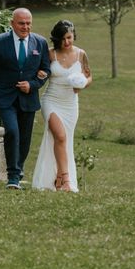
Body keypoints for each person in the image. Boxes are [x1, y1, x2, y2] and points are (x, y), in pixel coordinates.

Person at [0, 7, 51, 189]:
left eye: (28, 23)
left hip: (28, 99)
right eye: (21, 23)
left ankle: (18, 169)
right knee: (12, 132)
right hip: (5, 98)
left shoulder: (40, 43)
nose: (25, 27)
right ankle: (13, 177)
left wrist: (33, 85)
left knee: (25, 139)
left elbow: (46, 70)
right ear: (12, 24)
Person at [32, 20, 93, 192]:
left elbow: (89, 77)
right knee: (60, 136)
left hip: (70, 104)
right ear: (57, 39)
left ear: (73, 35)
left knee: (64, 140)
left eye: (69, 37)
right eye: (63, 39)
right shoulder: (51, 54)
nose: (66, 42)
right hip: (51, 100)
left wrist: (82, 83)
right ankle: (66, 180)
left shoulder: (81, 54)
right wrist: (40, 74)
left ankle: (57, 178)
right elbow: (40, 73)